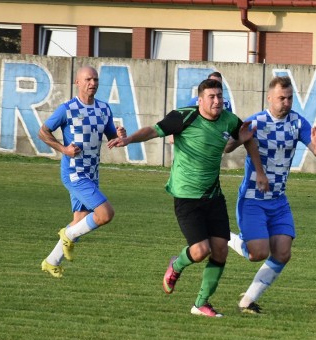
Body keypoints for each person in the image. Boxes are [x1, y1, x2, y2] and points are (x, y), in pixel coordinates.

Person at [108, 78, 266, 318]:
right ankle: (176, 264)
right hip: (186, 196)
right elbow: (153, 130)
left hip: (213, 195)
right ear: (200, 100)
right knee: (201, 250)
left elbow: (246, 140)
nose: (217, 101)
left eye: (220, 96)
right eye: (211, 97)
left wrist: (258, 168)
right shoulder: (184, 116)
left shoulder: (229, 120)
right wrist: (129, 139)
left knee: (221, 250)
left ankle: (201, 303)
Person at [225, 76, 316, 314]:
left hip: (279, 200)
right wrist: (239, 138)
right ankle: (226, 237)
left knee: (282, 251)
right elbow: (227, 147)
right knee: (256, 254)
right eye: (282, 98)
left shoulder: (296, 122)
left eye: (290, 98)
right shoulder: (256, 121)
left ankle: (247, 301)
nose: (286, 102)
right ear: (270, 98)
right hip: (253, 199)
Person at [39, 65, 125, 278]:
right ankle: (67, 235)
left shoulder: (104, 109)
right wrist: (63, 149)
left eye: (95, 79)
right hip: (74, 173)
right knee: (105, 214)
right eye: (88, 79)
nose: (92, 83)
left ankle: (51, 261)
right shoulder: (67, 109)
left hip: (93, 173)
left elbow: (112, 137)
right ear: (77, 82)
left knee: (80, 220)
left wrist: (120, 135)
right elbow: (43, 132)